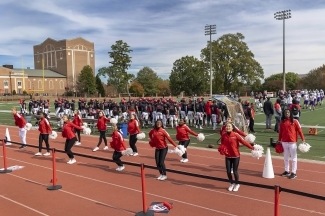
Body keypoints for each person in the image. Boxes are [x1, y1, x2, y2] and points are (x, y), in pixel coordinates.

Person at [221, 122, 254, 192]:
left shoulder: (236, 135)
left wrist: (252, 147)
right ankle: (232, 183)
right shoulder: (224, 135)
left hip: (236, 156)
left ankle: (237, 184)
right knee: (228, 171)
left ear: (232, 128)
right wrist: (222, 149)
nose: (227, 127)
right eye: (227, 127)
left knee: (235, 171)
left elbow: (244, 142)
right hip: (228, 156)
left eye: (229, 126)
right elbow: (222, 143)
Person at [277, 109, 305, 179]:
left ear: (290, 113)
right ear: (284, 114)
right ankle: (287, 171)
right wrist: (279, 140)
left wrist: (303, 139)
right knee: (285, 157)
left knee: (294, 158)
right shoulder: (282, 122)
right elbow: (280, 132)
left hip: (292, 142)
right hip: (284, 142)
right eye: (285, 112)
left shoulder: (295, 121)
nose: (287, 113)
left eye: (288, 112)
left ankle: (294, 172)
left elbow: (300, 131)